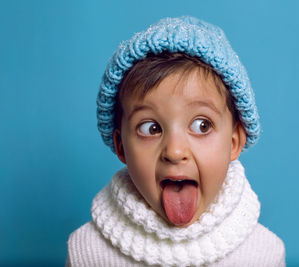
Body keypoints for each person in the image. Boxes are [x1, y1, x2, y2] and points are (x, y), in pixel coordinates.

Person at [67, 16, 285, 266]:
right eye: (150, 128)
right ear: (121, 147)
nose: (174, 150)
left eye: (202, 126)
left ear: (234, 142)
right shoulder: (87, 252)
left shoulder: (263, 253)